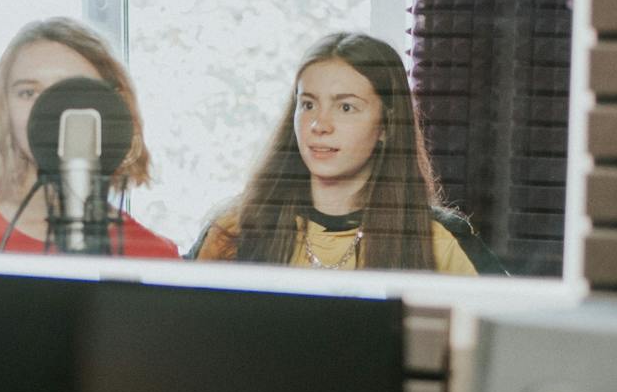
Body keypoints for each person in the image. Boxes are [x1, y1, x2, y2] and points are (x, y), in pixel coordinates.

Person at [191, 32, 501, 274]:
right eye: (308, 104)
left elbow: (512, 340)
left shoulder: (440, 239)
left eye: (346, 107)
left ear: (387, 126)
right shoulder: (234, 228)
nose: (319, 124)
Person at [0, 17, 178, 258]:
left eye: (71, 90)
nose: (49, 109)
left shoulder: (155, 256)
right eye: (28, 93)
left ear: (112, 108)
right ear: (4, 110)